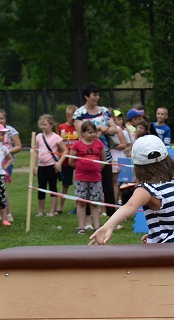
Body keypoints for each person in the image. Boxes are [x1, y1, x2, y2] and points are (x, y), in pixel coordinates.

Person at [90, 135, 174, 245]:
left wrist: (108, 226)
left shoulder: (148, 189)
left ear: (137, 166)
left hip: (172, 252)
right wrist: (160, 234)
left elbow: (130, 206)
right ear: (167, 159)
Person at [73, 83, 119, 217]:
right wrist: (98, 131)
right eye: (94, 95)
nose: (97, 97)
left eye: (98, 95)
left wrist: (103, 129)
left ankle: (112, 218)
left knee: (108, 188)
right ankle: (87, 221)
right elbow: (82, 134)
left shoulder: (104, 111)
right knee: (87, 189)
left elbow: (114, 129)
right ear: (86, 96)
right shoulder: (79, 113)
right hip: (86, 158)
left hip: (105, 156)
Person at [69, 121, 104, 235]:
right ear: (82, 133)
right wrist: (81, 168)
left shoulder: (99, 144)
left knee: (94, 203)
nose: (93, 134)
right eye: (90, 132)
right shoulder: (77, 145)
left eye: (94, 132)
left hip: (96, 178)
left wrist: (96, 169)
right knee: (81, 203)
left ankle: (97, 227)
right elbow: (71, 161)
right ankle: (81, 227)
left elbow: (103, 160)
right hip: (81, 178)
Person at [34, 113, 68, 217]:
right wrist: (34, 166)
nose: (43, 127)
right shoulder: (39, 137)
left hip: (52, 166)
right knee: (41, 188)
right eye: (41, 124)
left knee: (53, 188)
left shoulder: (56, 137)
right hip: (41, 166)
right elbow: (35, 151)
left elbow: (65, 150)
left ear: (51, 125)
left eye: (45, 124)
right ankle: (41, 211)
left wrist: (60, 162)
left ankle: (52, 211)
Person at [57, 105, 79, 215]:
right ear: (67, 116)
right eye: (71, 117)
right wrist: (59, 159)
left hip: (77, 160)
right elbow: (57, 143)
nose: (73, 120)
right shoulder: (61, 127)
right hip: (65, 161)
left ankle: (78, 206)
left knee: (78, 184)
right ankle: (60, 206)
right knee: (65, 184)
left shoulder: (78, 128)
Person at [0, 109, 21, 189]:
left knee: (2, 185)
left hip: (7, 161)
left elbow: (18, 146)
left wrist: (5, 152)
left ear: (5, 119)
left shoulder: (11, 130)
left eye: (1, 118)